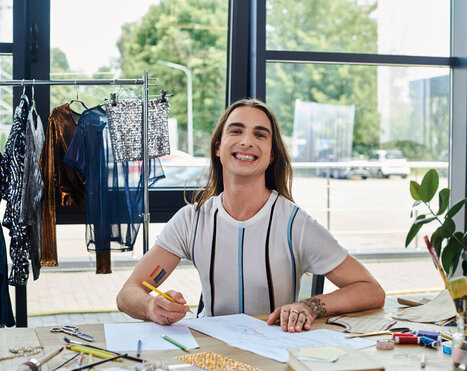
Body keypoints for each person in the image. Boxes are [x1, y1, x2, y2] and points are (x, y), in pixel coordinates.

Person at [116, 98, 385, 333]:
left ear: (271, 156)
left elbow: (370, 290)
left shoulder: (296, 224)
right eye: (236, 131)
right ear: (218, 147)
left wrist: (310, 306)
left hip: (276, 355)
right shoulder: (191, 220)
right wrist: (152, 306)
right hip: (213, 356)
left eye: (260, 134)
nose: (247, 141)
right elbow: (128, 294)